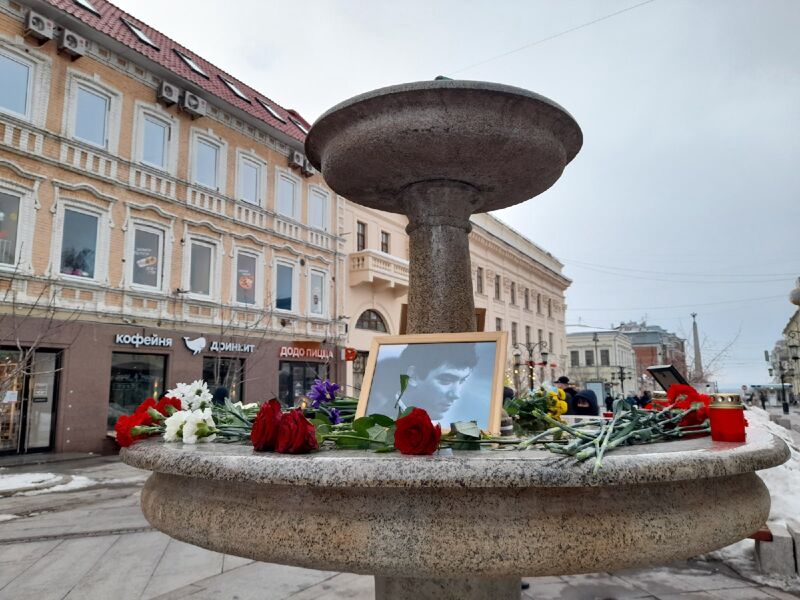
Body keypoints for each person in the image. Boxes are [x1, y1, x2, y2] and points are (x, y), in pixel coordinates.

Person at [367, 342, 479, 420]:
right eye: (446, 380)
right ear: (413, 376)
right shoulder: (381, 420)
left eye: (462, 380)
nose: (456, 394)